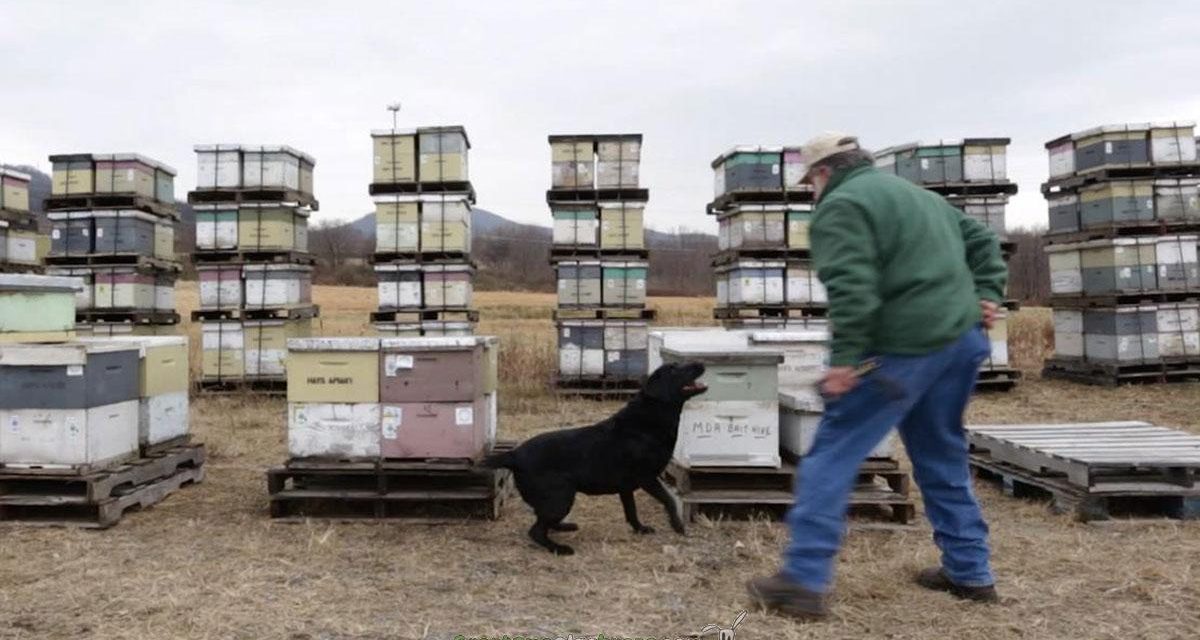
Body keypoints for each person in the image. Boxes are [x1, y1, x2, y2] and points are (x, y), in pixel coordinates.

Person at [746, 132, 1007, 620]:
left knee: (831, 455)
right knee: (939, 453)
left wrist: (845, 361)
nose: (811, 192)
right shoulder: (920, 198)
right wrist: (989, 289)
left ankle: (803, 581)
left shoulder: (840, 207)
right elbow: (983, 239)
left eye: (810, 183)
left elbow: (853, 288)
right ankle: (970, 572)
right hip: (961, 341)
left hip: (901, 350)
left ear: (823, 174)